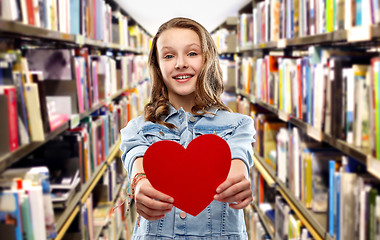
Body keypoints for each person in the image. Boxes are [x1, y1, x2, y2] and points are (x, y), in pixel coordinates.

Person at [120, 17, 256, 239]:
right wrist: (140, 182)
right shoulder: (136, 129)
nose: (180, 63)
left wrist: (237, 181)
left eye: (192, 53)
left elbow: (238, 160)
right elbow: (137, 160)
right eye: (169, 55)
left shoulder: (239, 125)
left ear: (208, 59)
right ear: (158, 65)